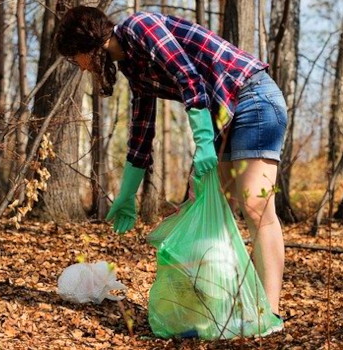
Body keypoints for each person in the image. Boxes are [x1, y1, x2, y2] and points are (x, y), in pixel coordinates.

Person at [54, 6, 287, 321]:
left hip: (252, 98)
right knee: (209, 208)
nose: (79, 67)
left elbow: (188, 76)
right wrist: (127, 195)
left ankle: (269, 313)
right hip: (223, 115)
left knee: (257, 209)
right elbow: (141, 131)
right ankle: (217, 309)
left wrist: (204, 143)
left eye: (74, 58)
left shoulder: (141, 25)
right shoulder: (132, 66)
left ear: (86, 45)